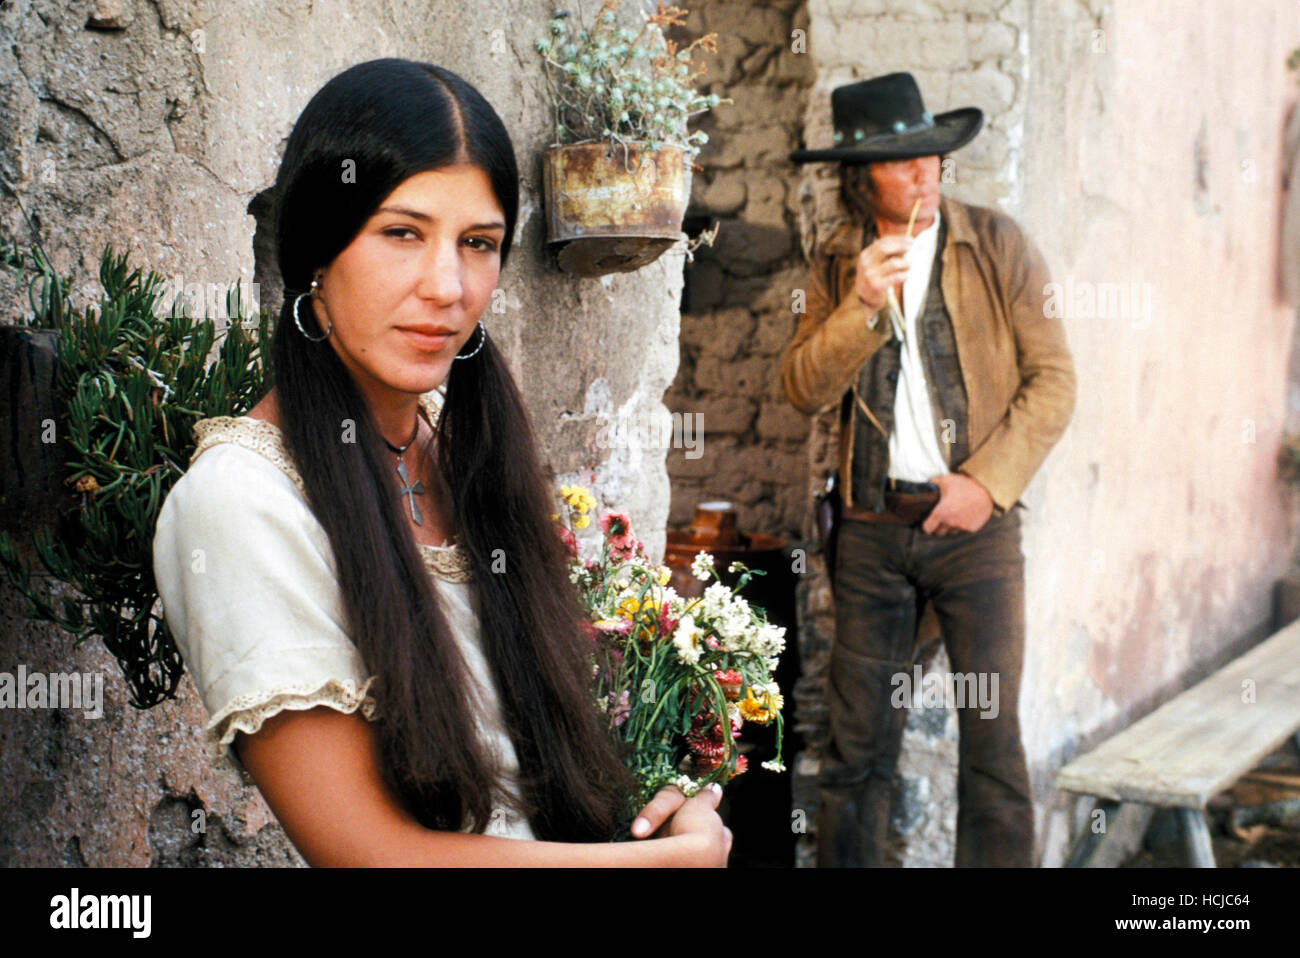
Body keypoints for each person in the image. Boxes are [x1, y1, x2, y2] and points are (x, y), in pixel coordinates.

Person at [151, 58, 730, 866]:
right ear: (317, 248)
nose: (448, 285)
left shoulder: (459, 452)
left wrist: (672, 812)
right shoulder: (241, 502)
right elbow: (368, 855)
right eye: (401, 233)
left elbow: (539, 769)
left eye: (479, 243)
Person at [783, 73, 1076, 867]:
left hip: (979, 534)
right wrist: (860, 307)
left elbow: (1053, 381)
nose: (926, 173)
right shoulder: (839, 262)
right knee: (855, 750)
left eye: (932, 157)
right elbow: (802, 387)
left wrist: (985, 485)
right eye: (903, 160)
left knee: (994, 747)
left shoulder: (996, 244)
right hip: (874, 534)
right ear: (861, 175)